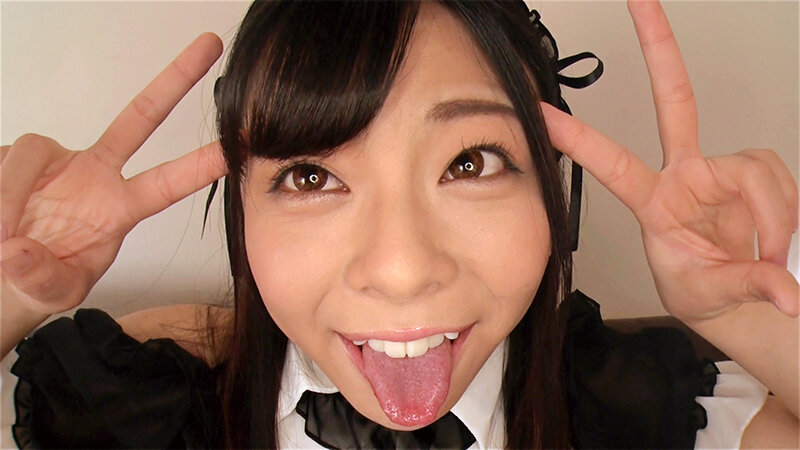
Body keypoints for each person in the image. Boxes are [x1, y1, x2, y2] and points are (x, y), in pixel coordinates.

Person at [1, 0, 797, 448]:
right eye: (312, 176)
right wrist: (10, 296)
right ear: (241, 211)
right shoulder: (133, 414)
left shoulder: (637, 415)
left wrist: (744, 320)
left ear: (551, 191)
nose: (403, 268)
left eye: (471, 163)